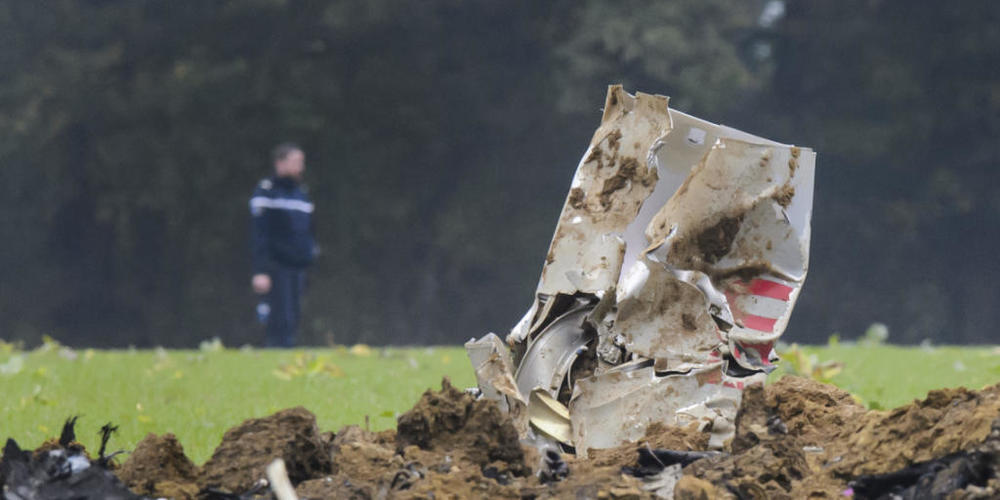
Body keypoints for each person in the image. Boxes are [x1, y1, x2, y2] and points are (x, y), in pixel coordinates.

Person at [249, 143, 318, 347]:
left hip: (298, 266)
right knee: (278, 318)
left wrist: (310, 253)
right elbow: (259, 235)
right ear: (280, 163)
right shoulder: (267, 192)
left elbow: (308, 231)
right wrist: (261, 270)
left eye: (301, 162)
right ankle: (274, 357)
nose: (300, 167)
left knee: (293, 317)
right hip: (275, 266)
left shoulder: (301, 193)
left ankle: (287, 353)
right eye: (296, 161)